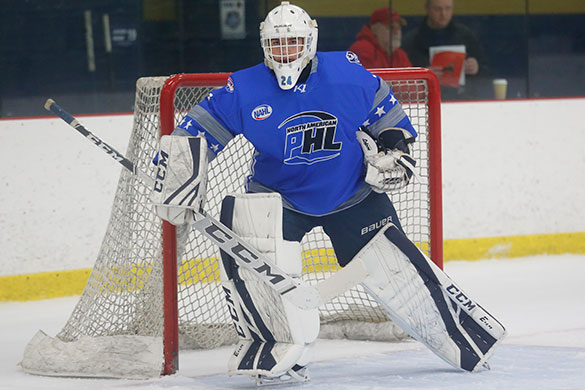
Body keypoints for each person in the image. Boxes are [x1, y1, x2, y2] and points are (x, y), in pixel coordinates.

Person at [151, 1, 505, 385]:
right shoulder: (245, 87)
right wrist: (177, 178)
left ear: (310, 41)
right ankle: (275, 347)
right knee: (258, 270)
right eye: (277, 43)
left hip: (352, 193)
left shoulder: (346, 73)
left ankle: (461, 337)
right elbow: (197, 131)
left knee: (397, 270)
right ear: (264, 45)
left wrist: (394, 149)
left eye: (293, 42)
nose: (285, 51)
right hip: (277, 196)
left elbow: (386, 112)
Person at [402, 0, 489, 98]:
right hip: (426, 99)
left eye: (448, 8)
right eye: (437, 9)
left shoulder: (465, 36)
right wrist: (423, 76)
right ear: (427, 9)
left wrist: (477, 67)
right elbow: (403, 79)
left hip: (462, 98)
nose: (443, 14)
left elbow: (487, 71)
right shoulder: (412, 40)